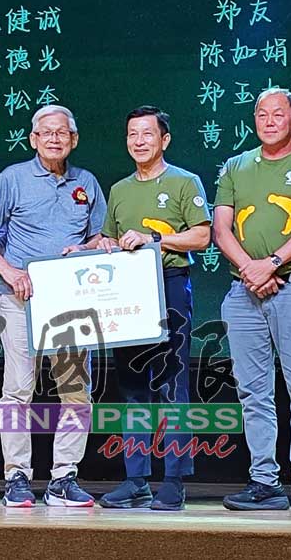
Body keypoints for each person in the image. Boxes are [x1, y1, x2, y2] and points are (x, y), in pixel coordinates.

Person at [0, 105, 107, 508]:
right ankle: (17, 477)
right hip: (18, 298)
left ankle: (64, 477)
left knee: (76, 392)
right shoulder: (13, 178)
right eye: (46, 132)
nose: (54, 138)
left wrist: (86, 249)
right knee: (17, 390)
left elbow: (100, 238)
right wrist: (8, 270)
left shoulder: (86, 182)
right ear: (33, 139)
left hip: (71, 303)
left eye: (62, 132)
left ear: (73, 139)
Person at [212, 88, 291, 513]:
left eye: (278, 114)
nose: (269, 121)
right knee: (253, 392)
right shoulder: (236, 165)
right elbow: (221, 228)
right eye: (261, 114)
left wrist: (273, 263)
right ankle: (264, 481)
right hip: (243, 291)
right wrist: (252, 269)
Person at [90, 106, 211, 511]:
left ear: (164, 139)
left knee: (172, 385)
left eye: (147, 133)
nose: (138, 141)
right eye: (132, 134)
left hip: (170, 284)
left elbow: (202, 236)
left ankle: (174, 480)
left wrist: (154, 238)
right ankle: (136, 479)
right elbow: (108, 237)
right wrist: (101, 245)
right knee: (133, 388)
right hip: (128, 290)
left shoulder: (184, 181)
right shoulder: (119, 189)